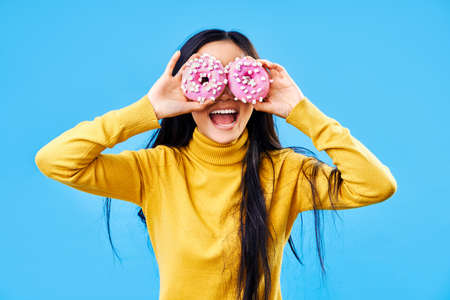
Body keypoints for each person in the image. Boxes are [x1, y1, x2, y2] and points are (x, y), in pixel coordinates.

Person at [34, 29, 397, 300]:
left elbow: (376, 185)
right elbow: (56, 160)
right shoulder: (156, 170)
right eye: (207, 78)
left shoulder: (286, 172)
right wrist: (147, 110)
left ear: (257, 90)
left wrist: (301, 111)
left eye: (238, 77)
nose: (223, 92)